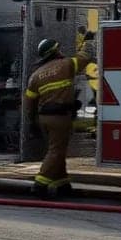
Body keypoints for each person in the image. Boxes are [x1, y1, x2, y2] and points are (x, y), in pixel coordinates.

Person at [22, 38, 90, 197]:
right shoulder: (67, 64)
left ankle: (62, 184)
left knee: (56, 148)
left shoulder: (35, 75)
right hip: (60, 117)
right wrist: (87, 42)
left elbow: (29, 102)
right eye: (59, 49)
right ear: (55, 51)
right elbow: (86, 58)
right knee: (56, 151)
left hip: (43, 118)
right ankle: (39, 184)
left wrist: (31, 122)